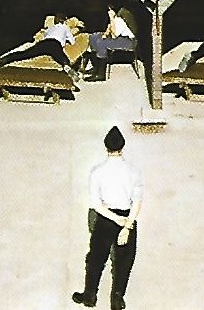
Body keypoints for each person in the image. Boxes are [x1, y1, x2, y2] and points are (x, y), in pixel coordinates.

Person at [73, 126, 143, 310]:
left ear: (106, 147)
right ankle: (117, 299)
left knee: (96, 259)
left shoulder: (97, 172)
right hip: (127, 217)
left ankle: (89, 295)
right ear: (122, 147)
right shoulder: (133, 171)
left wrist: (114, 218)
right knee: (123, 261)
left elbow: (96, 204)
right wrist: (126, 225)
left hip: (105, 219)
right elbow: (137, 201)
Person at [0, 13, 80, 78]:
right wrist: (69, 38)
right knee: (60, 55)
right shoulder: (65, 28)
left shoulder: (51, 28)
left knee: (25, 54)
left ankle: (1, 61)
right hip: (55, 44)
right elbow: (72, 41)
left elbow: (44, 35)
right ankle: (66, 66)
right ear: (64, 20)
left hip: (44, 43)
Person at [87, 4, 138, 81]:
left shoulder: (119, 19)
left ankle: (101, 74)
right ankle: (96, 66)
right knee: (93, 37)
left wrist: (111, 19)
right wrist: (104, 34)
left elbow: (114, 35)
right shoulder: (115, 19)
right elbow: (108, 31)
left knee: (101, 43)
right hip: (121, 38)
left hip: (129, 41)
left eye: (110, 10)